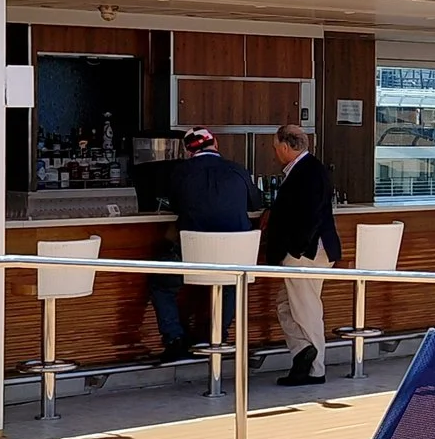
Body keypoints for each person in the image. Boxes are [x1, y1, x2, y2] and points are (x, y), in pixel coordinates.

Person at [137, 128, 260, 362]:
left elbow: (172, 205)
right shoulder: (238, 170)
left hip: (193, 256)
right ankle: (216, 337)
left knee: (161, 281)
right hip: (234, 259)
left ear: (187, 150)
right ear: (216, 143)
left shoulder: (178, 172)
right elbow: (256, 203)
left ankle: (175, 340)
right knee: (232, 283)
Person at [260, 122, 340, 385]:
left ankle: (315, 369)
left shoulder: (307, 172)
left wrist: (296, 249)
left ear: (285, 146)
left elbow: (309, 215)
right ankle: (303, 353)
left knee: (306, 309)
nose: (275, 153)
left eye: (275, 147)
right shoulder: (308, 169)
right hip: (310, 249)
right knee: (287, 306)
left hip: (306, 252)